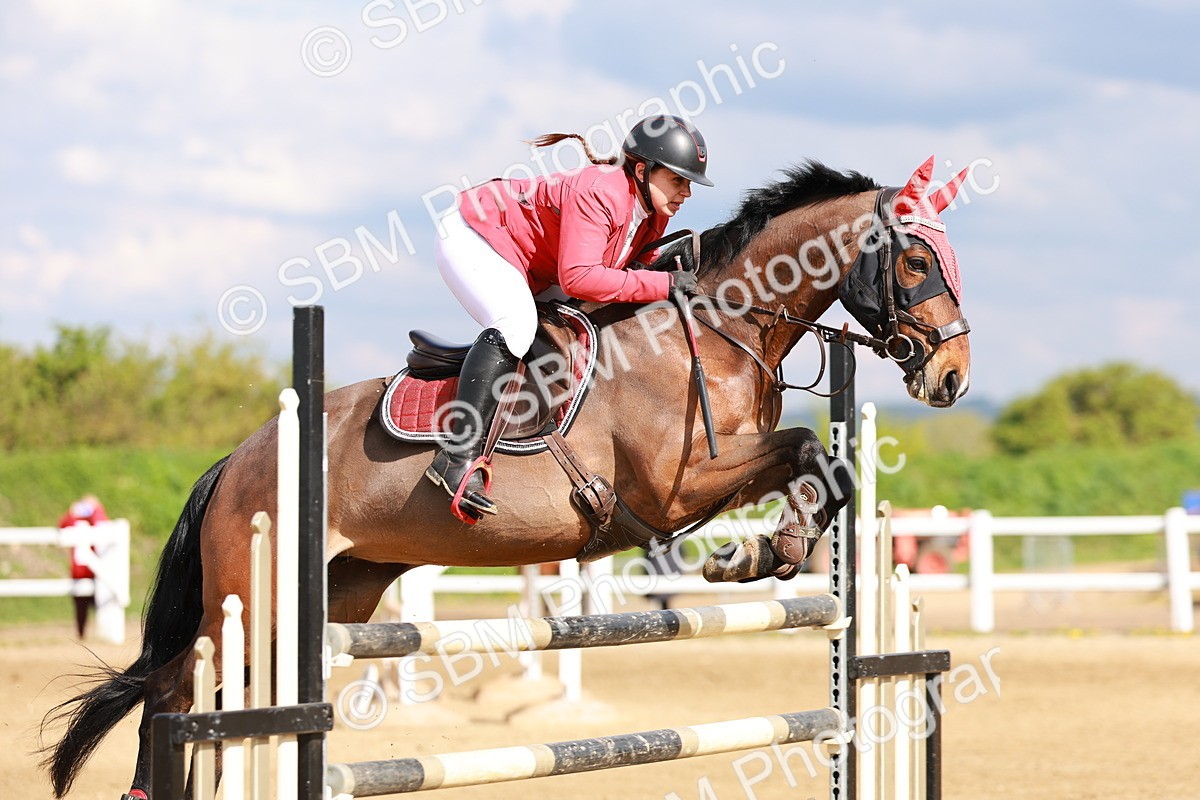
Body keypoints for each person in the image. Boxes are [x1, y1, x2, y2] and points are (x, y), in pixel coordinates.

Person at [427, 114, 713, 522]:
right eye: (678, 180)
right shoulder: (601, 192)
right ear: (641, 169)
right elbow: (580, 277)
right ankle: (457, 458)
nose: (686, 192)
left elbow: (628, 267)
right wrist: (663, 285)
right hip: (475, 234)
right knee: (516, 324)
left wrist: (667, 271)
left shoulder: (654, 211)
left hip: (534, 262)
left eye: (689, 184)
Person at [58, 494, 109, 639]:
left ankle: (104, 632)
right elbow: (62, 527)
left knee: (101, 604)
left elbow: (103, 525)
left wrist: (96, 509)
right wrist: (72, 513)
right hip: (79, 572)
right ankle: (81, 635)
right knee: (80, 607)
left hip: (98, 572)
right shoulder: (76, 521)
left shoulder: (97, 519)